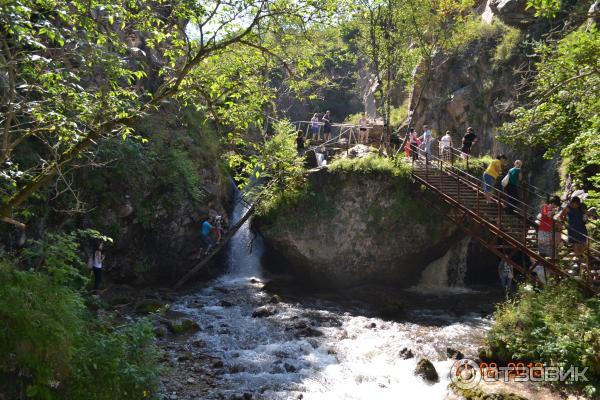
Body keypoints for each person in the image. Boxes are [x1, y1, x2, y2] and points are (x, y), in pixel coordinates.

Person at [559, 196, 588, 273]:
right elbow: (561, 216)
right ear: (572, 202)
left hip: (581, 228)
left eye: (577, 204)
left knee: (584, 243)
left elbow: (585, 214)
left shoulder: (580, 208)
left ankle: (579, 257)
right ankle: (580, 259)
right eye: (574, 203)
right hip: (573, 228)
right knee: (575, 243)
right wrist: (565, 223)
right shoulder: (568, 208)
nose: (576, 205)